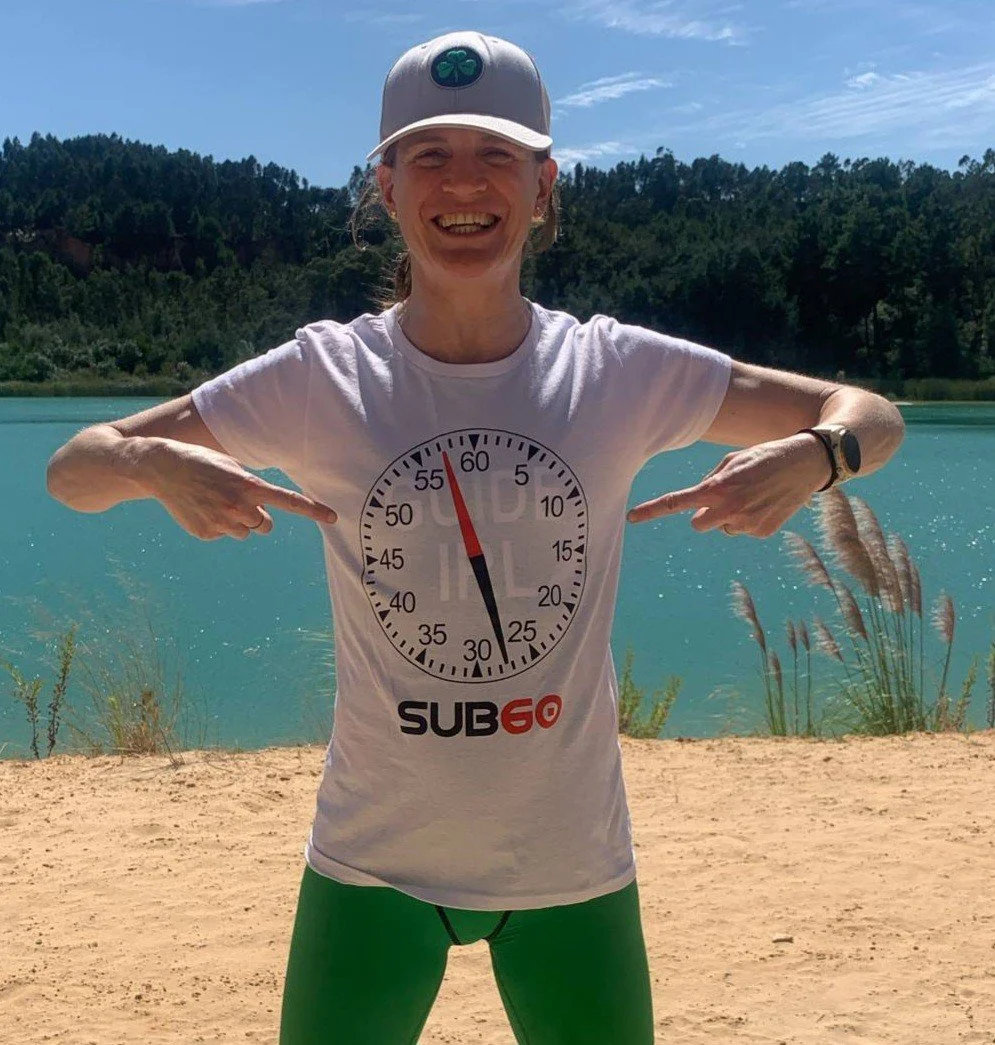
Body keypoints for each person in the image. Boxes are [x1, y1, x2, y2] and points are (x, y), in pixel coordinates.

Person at [46, 29, 905, 1045]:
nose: (463, 183)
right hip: (370, 861)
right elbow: (74, 469)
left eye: (496, 154)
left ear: (542, 187)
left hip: (570, 863)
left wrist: (816, 455)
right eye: (430, 155)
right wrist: (151, 464)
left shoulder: (616, 370)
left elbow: (872, 412)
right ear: (385, 186)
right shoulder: (320, 377)